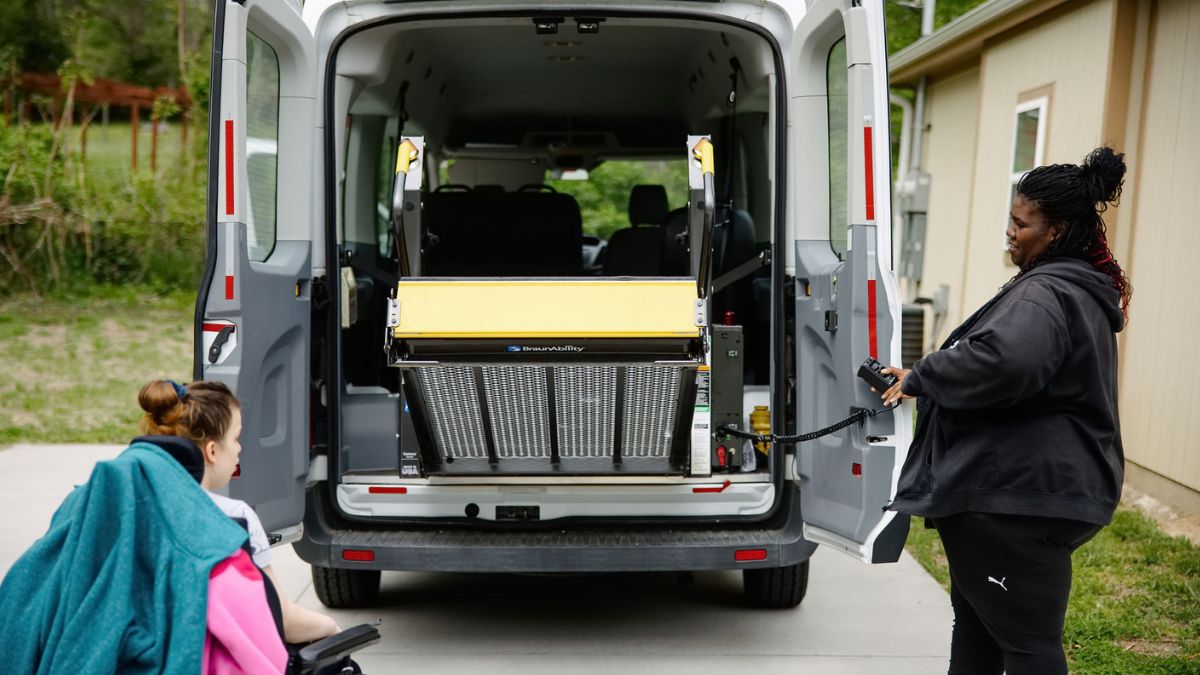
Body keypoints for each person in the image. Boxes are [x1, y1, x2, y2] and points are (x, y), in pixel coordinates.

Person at [878, 147, 1130, 675]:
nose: (1010, 233)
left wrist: (923, 375)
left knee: (1028, 644)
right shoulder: (1072, 289)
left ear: (1056, 231)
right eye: (1011, 220)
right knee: (978, 632)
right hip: (1029, 492)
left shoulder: (1045, 294)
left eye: (1021, 224)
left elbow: (1007, 361)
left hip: (1013, 499)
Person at [138, 379, 342, 645]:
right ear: (212, 451)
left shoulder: (130, 509)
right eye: (235, 438)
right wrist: (332, 628)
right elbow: (280, 619)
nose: (239, 448)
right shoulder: (234, 517)